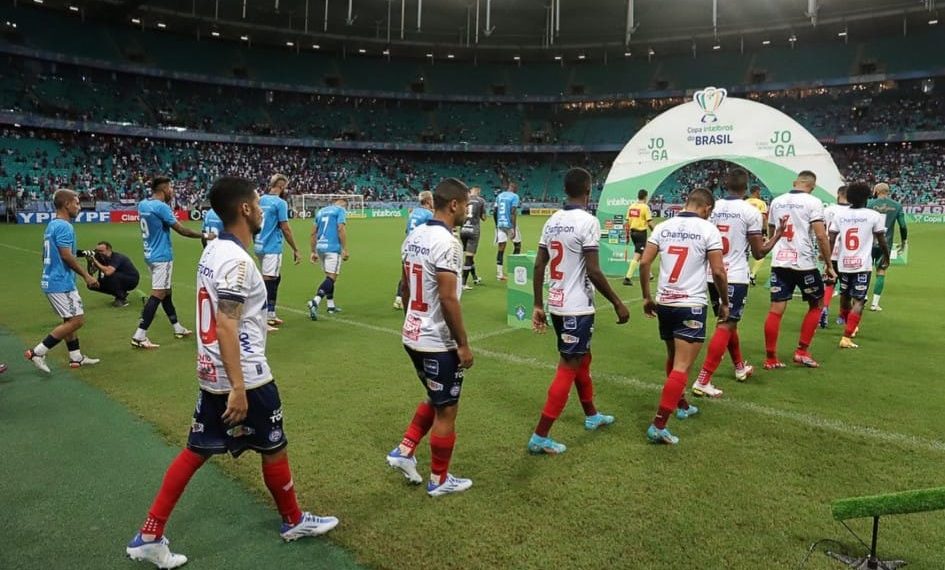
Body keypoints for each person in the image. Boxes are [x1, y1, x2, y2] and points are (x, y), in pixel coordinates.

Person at [125, 177, 337, 570]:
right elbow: (226, 323)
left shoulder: (212, 250)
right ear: (244, 209)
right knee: (274, 445)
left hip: (211, 372)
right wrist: (238, 386)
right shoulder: (237, 260)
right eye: (257, 203)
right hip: (246, 375)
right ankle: (293, 520)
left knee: (196, 450)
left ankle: (150, 534)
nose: (261, 210)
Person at [526, 168, 630, 455]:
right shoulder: (588, 221)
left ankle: (591, 414)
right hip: (577, 307)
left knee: (583, 359)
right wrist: (617, 302)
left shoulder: (553, 221)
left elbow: (538, 265)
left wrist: (537, 303)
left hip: (556, 302)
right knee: (569, 366)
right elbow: (594, 270)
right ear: (589, 190)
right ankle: (540, 435)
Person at [385, 178, 474, 497]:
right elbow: (449, 298)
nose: (467, 210)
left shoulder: (414, 236)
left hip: (412, 334)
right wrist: (462, 343)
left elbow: (407, 286)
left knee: (435, 396)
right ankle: (439, 479)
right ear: (454, 205)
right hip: (437, 341)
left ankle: (404, 450)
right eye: (466, 204)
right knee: (447, 407)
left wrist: (413, 319)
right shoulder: (448, 243)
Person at [639, 188, 727, 445]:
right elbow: (719, 271)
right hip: (691, 305)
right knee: (682, 367)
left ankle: (681, 405)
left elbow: (644, 263)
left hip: (665, 302)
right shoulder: (708, 229)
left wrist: (646, 297)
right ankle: (659, 424)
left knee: (673, 358)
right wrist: (724, 301)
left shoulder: (663, 227)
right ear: (707, 209)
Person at [691, 169, 787, 398]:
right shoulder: (750, 211)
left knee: (728, 322)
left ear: (725, 185)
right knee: (726, 324)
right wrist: (777, 235)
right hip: (734, 276)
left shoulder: (711, 209)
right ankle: (703, 379)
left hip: (710, 274)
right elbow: (759, 252)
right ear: (746, 187)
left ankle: (739, 368)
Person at [763, 170, 836, 369]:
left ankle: (771, 358)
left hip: (780, 262)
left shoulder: (777, 201)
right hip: (803, 262)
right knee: (817, 304)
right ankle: (802, 352)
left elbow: (771, 231)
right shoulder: (813, 202)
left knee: (776, 309)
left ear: (795, 182)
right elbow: (821, 236)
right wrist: (829, 265)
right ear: (812, 186)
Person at [24, 189, 100, 373]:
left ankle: (76, 358)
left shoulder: (52, 225)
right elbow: (67, 256)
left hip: (52, 280)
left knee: (68, 320)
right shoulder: (65, 226)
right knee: (77, 320)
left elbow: (45, 255)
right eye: (76, 203)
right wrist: (87, 276)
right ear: (66, 204)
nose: (79, 207)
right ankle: (38, 352)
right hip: (61, 282)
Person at [131, 177, 204, 349]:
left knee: (166, 291)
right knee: (158, 293)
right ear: (164, 189)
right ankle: (140, 335)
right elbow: (182, 230)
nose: (172, 191)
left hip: (149, 254)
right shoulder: (161, 207)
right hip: (162, 256)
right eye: (170, 187)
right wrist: (204, 235)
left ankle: (177, 327)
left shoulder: (143, 204)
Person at [829, 182, 890, 349]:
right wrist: (886, 256)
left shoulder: (840, 215)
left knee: (845, 295)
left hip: (843, 263)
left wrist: (828, 259)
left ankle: (850, 325)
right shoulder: (873, 215)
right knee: (859, 300)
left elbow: (832, 237)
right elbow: (881, 239)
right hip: (862, 264)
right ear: (867, 197)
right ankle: (847, 336)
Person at [255, 174, 302, 330]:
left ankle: (271, 313)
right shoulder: (280, 203)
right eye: (285, 187)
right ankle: (265, 317)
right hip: (272, 246)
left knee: (273, 277)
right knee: (270, 281)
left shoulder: (260, 199)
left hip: (259, 244)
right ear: (281, 186)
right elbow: (285, 228)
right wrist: (295, 249)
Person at [868, 182, 907, 312]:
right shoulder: (896, 206)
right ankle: (874, 304)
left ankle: (861, 296)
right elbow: (903, 226)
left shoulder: (869, 204)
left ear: (876, 191)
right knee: (881, 272)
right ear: (888, 192)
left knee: (865, 270)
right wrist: (904, 241)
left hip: (868, 243)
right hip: (885, 244)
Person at [307, 197, 348, 320]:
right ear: (344, 205)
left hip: (321, 247)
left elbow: (313, 232)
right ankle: (315, 301)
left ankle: (331, 306)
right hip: (332, 248)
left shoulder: (321, 211)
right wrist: (344, 249)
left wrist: (313, 251)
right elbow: (341, 229)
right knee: (331, 278)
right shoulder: (340, 210)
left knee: (329, 278)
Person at [393, 191, 434, 310]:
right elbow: (431, 233)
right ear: (427, 201)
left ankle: (399, 298)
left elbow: (407, 231)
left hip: (408, 245)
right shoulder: (428, 214)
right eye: (432, 200)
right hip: (420, 248)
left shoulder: (414, 212)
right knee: (422, 272)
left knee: (406, 273)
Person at [819, 185, 850, 328]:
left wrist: (822, 252)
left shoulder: (828, 210)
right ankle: (842, 316)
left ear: (838, 194)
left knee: (829, 283)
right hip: (847, 254)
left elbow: (823, 232)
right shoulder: (853, 212)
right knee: (846, 287)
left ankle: (824, 307)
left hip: (830, 252)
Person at [86, 241, 140, 307]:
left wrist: (95, 261)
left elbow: (108, 272)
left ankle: (121, 298)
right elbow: (92, 272)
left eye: (101, 251)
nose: (98, 253)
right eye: (97, 251)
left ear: (109, 250)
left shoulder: (117, 257)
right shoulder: (100, 257)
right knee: (91, 284)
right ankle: (120, 294)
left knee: (109, 276)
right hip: (117, 279)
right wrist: (89, 262)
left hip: (131, 280)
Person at [622, 189, 655, 287]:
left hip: (633, 233)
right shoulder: (645, 207)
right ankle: (627, 278)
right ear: (645, 196)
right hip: (641, 233)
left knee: (642, 254)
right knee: (637, 255)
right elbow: (649, 222)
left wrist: (627, 235)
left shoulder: (631, 206)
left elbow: (627, 223)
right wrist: (656, 231)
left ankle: (649, 274)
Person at [460, 186, 487, 290]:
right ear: (478, 192)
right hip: (473, 230)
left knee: (468, 256)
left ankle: (475, 277)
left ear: (470, 191)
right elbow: (484, 218)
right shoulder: (481, 201)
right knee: (469, 257)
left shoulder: (464, 199)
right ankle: (463, 283)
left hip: (463, 230)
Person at [494, 182, 521, 280]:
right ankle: (513, 271)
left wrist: (496, 225)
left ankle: (499, 274)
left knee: (501, 248)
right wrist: (513, 228)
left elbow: (495, 211)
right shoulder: (515, 196)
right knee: (517, 245)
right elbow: (513, 212)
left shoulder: (499, 196)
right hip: (509, 224)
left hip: (500, 224)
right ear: (514, 187)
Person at [746, 185, 769, 286]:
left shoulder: (745, 202)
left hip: (744, 231)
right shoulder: (761, 203)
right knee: (761, 253)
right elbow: (763, 218)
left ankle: (745, 274)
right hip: (756, 231)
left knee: (744, 254)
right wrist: (764, 233)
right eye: (759, 191)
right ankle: (752, 274)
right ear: (757, 191)